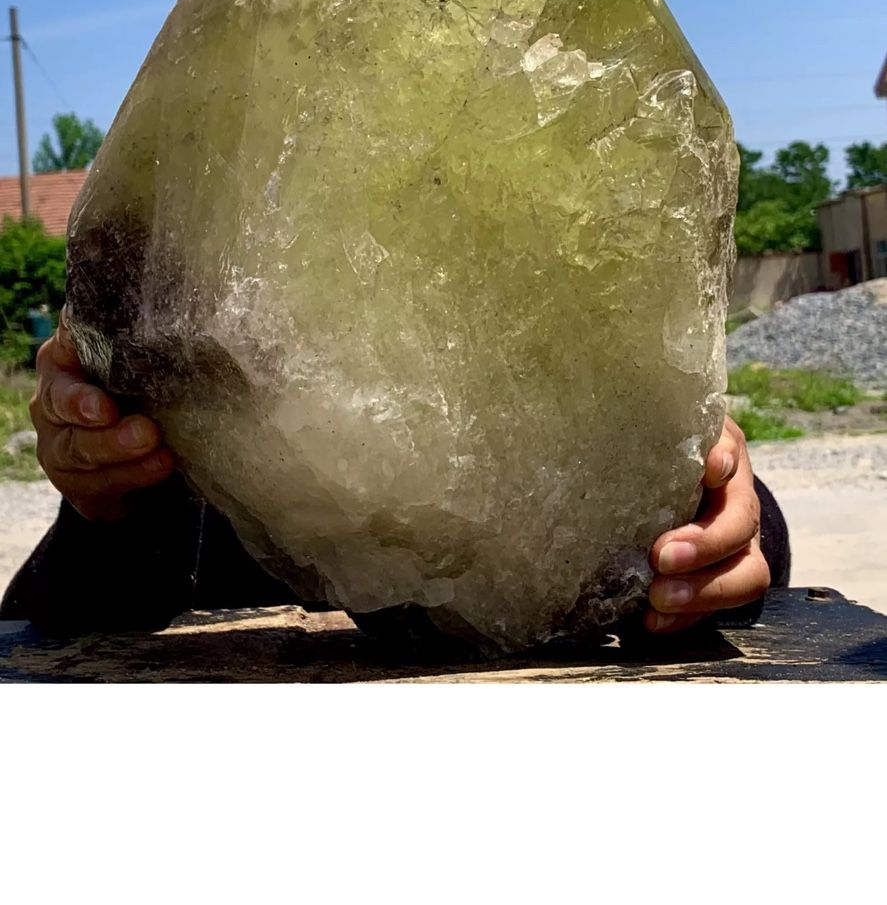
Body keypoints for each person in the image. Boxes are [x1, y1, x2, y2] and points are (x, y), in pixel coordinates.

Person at [0, 310, 790, 640]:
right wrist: (112, 507)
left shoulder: (564, 403)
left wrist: (717, 516)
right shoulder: (205, 480)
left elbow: (738, 552)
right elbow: (44, 629)